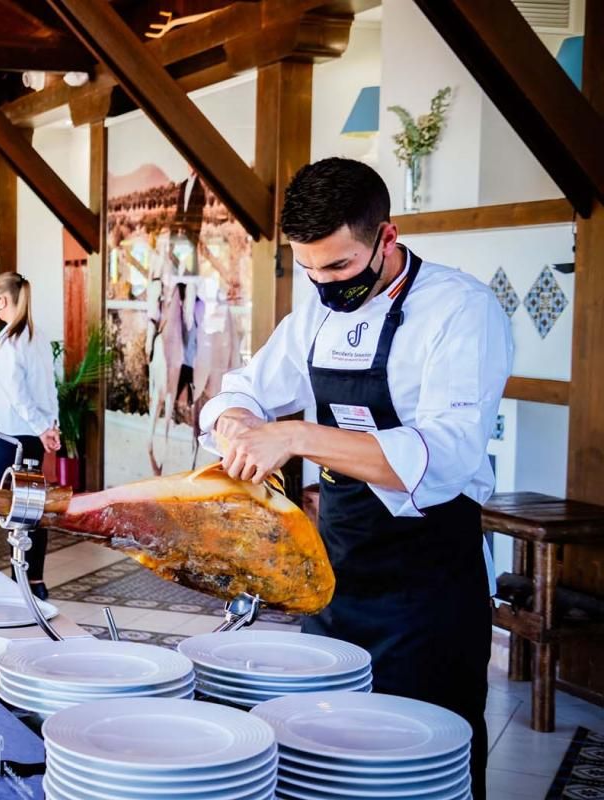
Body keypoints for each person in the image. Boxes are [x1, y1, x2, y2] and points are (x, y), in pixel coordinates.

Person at [198, 158, 511, 800]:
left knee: (423, 757)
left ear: (387, 238)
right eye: (309, 269)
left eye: (338, 267)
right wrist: (235, 424)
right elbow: (241, 392)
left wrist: (299, 435)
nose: (323, 284)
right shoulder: (315, 315)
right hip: (339, 575)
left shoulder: (461, 311)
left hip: (429, 584)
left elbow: (445, 455)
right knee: (329, 748)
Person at [0, 272, 60, 600]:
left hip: (10, 435)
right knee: (32, 506)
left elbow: (17, 395)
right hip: (30, 434)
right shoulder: (37, 336)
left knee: (17, 509)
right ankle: (33, 579)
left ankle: (23, 578)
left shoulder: (9, 341)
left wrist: (43, 426)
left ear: (3, 300)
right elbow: (49, 387)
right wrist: (49, 426)